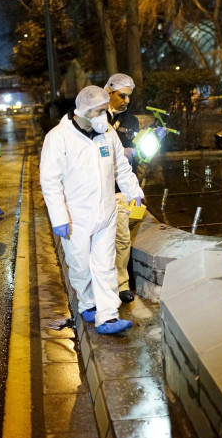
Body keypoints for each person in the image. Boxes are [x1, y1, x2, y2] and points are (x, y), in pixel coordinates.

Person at [40, 85, 144, 335]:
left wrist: (134, 191)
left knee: (105, 265)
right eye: (98, 111)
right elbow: (50, 180)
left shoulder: (108, 133)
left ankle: (107, 316)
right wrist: (58, 217)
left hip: (106, 213)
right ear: (84, 111)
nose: (103, 116)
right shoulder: (58, 137)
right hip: (75, 217)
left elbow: (121, 165)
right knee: (79, 265)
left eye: (103, 111)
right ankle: (88, 303)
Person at [105, 73, 142, 304]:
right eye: (122, 95)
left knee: (121, 240)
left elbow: (135, 157)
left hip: (119, 187)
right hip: (96, 189)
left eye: (129, 96)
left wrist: (136, 153)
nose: (126, 101)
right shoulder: (96, 117)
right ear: (109, 91)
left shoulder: (131, 121)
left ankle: (121, 285)